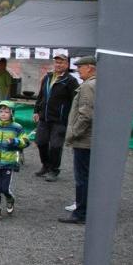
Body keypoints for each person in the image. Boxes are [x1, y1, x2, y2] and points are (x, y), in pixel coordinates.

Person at [59, 56, 96, 225]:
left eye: (80, 67)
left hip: (84, 139)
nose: (78, 70)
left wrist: (73, 133)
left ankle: (81, 212)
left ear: (90, 68)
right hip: (90, 138)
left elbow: (86, 114)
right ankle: (85, 209)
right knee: (87, 175)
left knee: (82, 177)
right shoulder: (95, 84)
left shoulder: (88, 86)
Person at [33, 54, 80, 182]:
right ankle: (46, 165)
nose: (58, 65)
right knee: (41, 142)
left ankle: (54, 170)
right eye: (57, 62)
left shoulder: (70, 81)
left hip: (59, 119)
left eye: (61, 62)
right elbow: (41, 95)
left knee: (55, 146)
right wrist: (36, 110)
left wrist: (71, 116)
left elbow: (76, 100)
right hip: (44, 117)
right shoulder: (47, 77)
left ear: (67, 65)